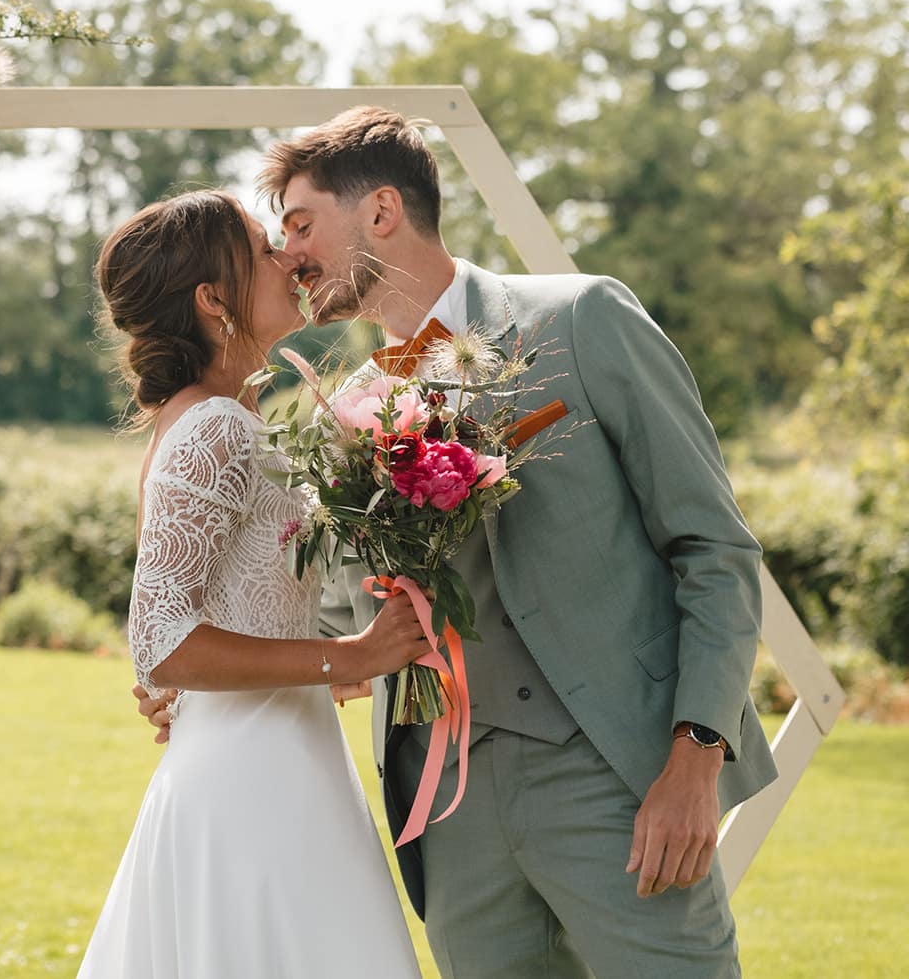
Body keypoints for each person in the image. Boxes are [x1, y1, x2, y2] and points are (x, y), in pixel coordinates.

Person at [136, 107, 778, 977]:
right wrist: (199, 679)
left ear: (381, 213)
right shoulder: (343, 410)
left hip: (620, 781)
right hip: (449, 811)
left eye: (298, 223)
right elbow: (336, 615)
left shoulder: (583, 319)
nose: (286, 254)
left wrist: (696, 757)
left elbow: (715, 551)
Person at [78, 190, 427, 977]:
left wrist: (361, 661)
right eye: (263, 249)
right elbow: (161, 641)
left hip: (272, 757)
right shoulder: (216, 427)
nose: (287, 261)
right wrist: (354, 656)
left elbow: (225, 618)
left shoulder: (208, 419)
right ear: (212, 300)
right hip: (256, 787)